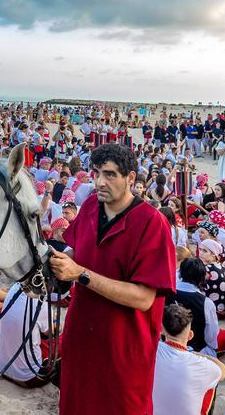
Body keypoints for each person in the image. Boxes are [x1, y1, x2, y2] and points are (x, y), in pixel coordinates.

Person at [50, 144, 177, 415]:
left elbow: (144, 298)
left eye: (109, 174)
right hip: (81, 337)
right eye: (96, 173)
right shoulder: (89, 209)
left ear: (131, 178)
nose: (99, 182)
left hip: (123, 349)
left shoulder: (152, 223)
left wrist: (80, 274)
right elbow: (76, 252)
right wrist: (55, 262)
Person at [151, 304, 225, 415]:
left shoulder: (150, 351)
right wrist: (197, 354)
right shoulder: (202, 365)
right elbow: (223, 371)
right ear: (190, 335)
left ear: (161, 330)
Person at [168, 257, 222, 356]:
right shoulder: (206, 303)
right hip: (196, 351)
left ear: (180, 273)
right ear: (202, 277)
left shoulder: (167, 294)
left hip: (168, 345)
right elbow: (211, 336)